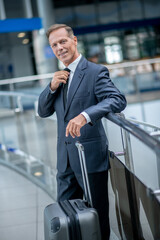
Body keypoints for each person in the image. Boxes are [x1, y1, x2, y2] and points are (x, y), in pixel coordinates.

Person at [38, 24, 127, 240]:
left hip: (90, 158)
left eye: (63, 41)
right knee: (65, 216)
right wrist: (51, 87)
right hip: (65, 160)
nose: (59, 47)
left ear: (74, 41)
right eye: (54, 45)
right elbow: (42, 111)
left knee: (96, 216)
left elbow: (117, 100)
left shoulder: (96, 72)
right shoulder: (59, 77)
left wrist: (86, 115)